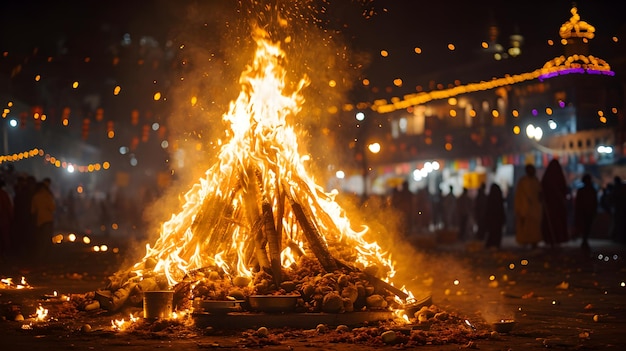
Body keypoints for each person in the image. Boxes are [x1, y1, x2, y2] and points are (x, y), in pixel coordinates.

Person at [540, 159, 570, 248]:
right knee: (553, 223)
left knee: (555, 223)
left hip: (555, 205)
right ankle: (553, 239)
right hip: (552, 205)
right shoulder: (555, 178)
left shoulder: (548, 178)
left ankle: (554, 239)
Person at [514, 164, 543, 249]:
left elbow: (539, 194)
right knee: (525, 228)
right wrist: (518, 209)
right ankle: (525, 243)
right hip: (525, 209)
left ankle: (534, 243)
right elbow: (518, 196)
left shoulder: (536, 181)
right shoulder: (523, 182)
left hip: (535, 209)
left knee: (534, 228)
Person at [31, 178, 56, 261]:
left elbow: (33, 210)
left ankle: (40, 257)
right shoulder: (47, 196)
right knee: (47, 240)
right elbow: (52, 208)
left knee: (41, 240)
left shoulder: (35, 197)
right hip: (48, 220)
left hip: (39, 221)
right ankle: (46, 258)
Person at [574, 174, 597, 251]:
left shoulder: (584, 190)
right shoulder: (592, 190)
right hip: (586, 211)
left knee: (586, 227)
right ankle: (584, 240)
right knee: (586, 227)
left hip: (586, 211)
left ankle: (584, 240)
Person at [484, 183, 506, 249]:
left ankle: (492, 244)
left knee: (493, 232)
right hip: (497, 219)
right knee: (495, 233)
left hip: (493, 219)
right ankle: (495, 244)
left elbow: (487, 210)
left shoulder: (491, 198)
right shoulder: (498, 198)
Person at [0, 179, 14, 262]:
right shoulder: (4, 194)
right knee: (5, 238)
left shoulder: (4, 194)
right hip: (4, 220)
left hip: (3, 219)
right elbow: (9, 207)